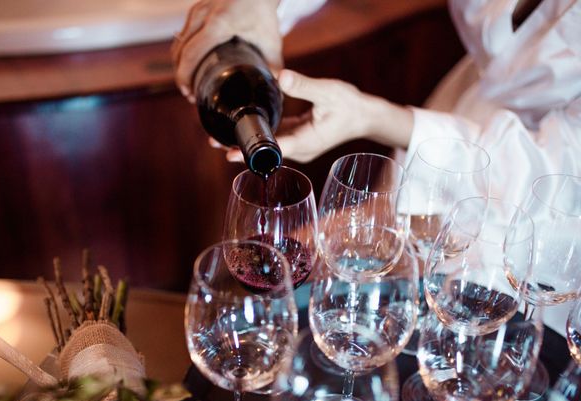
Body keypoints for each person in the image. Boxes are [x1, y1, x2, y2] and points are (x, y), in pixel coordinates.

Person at [172, 0, 581, 334]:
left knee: (478, 356)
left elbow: (555, 173)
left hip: (548, 227)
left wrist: (371, 118)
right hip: (444, 146)